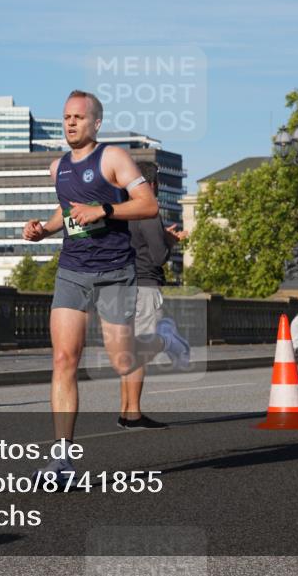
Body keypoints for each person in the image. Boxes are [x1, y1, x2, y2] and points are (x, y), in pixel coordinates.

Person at [22, 90, 190, 482]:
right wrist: (44, 229)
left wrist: (105, 209)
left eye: (78, 117)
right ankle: (62, 460)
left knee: (122, 362)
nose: (70, 123)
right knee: (64, 360)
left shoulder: (112, 157)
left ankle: (163, 338)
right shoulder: (58, 167)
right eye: (66, 117)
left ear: (96, 122)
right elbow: (67, 211)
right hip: (72, 271)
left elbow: (148, 204)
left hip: (115, 271)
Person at [120, 160, 189, 430]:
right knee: (142, 347)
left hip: (120, 286)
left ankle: (126, 412)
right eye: (157, 182)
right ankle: (134, 414)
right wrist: (170, 241)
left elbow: (137, 243)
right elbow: (159, 257)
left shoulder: (121, 210)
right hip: (145, 286)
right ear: (150, 184)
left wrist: (161, 235)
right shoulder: (148, 211)